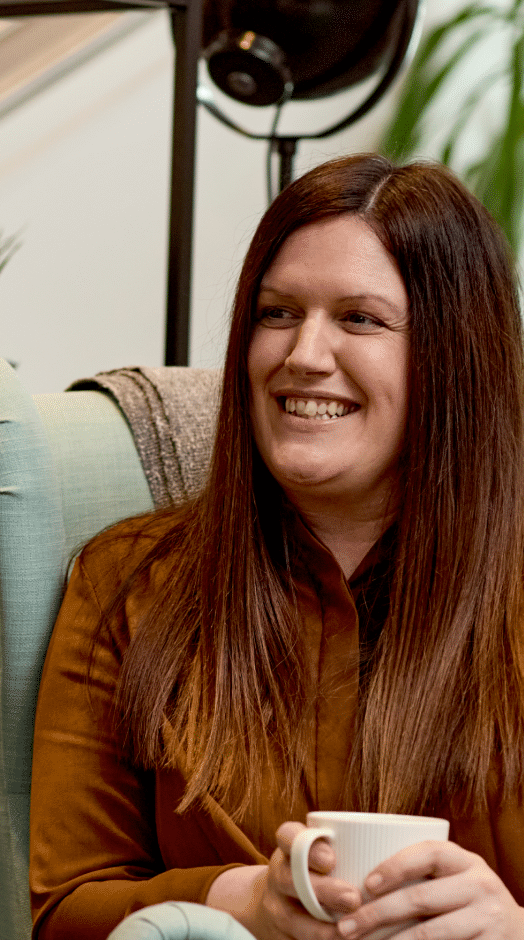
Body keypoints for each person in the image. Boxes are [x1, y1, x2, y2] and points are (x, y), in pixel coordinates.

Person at [30, 152, 524, 940]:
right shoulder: (126, 583)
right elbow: (63, 910)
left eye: (360, 318)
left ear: (455, 355)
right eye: (277, 312)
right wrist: (241, 901)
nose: (303, 355)